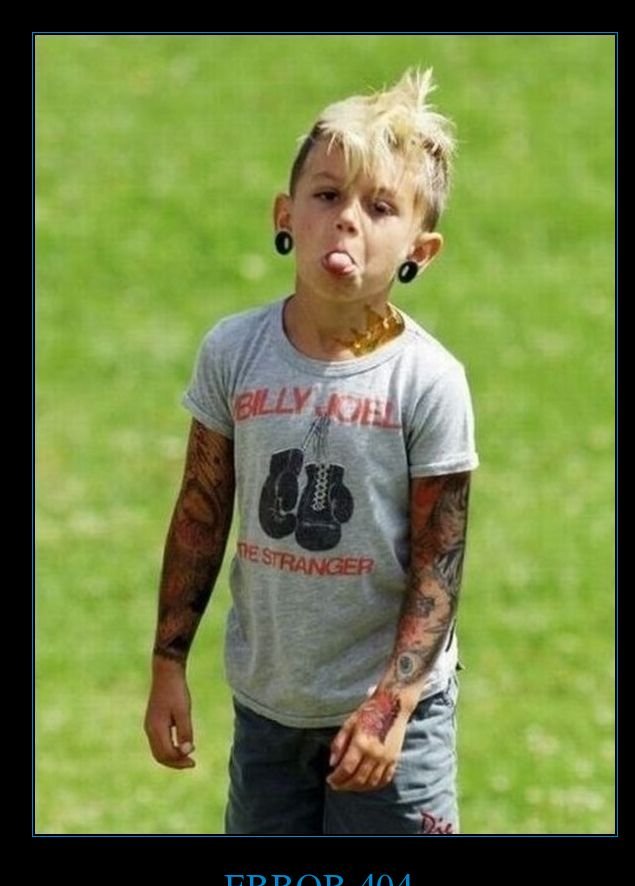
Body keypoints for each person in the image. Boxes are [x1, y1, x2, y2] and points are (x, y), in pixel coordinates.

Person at [144, 67, 479, 835]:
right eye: (327, 195)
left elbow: (440, 562)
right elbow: (201, 510)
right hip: (269, 708)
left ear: (421, 248)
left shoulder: (427, 380)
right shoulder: (235, 352)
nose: (347, 220)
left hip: (389, 723)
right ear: (285, 213)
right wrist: (168, 663)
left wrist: (393, 702)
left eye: (380, 207)